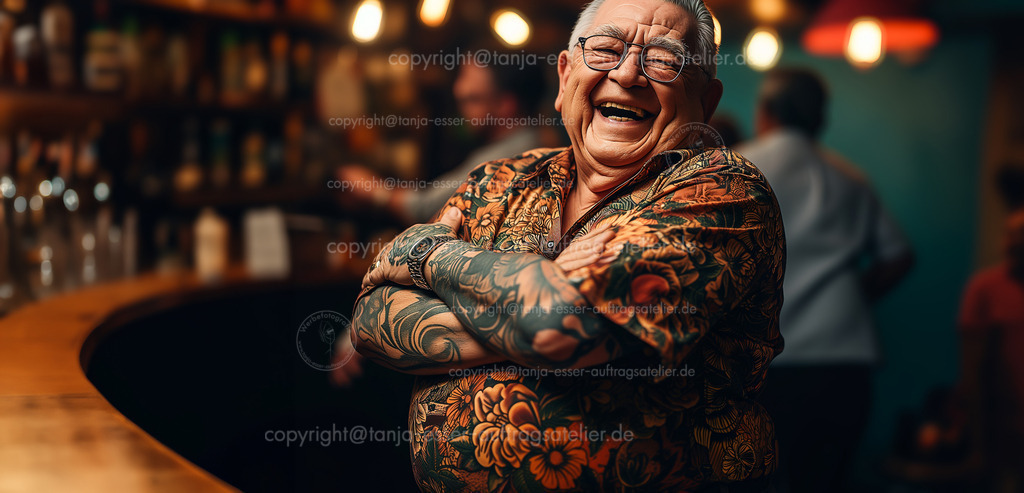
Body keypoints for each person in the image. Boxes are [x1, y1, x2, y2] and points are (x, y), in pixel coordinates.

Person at [350, 0, 786, 490]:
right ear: (564, 78)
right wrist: (528, 315)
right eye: (605, 48)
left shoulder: (723, 191)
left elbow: (559, 326)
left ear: (705, 101)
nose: (628, 73)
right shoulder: (500, 179)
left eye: (663, 59)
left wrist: (428, 254)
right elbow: (369, 321)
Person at [736, 68, 914, 493]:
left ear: (766, 113)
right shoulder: (851, 178)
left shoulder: (733, 170)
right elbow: (899, 256)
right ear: (821, 120)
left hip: (763, 367)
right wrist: (852, 296)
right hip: (844, 364)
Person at [337, 55, 545, 225]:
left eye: (472, 99)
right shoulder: (526, 142)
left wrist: (375, 192)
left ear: (505, 105)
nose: (463, 111)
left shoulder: (507, 158)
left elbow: (425, 209)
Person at [958, 167, 1024, 491]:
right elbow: (973, 373)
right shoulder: (985, 289)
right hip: (1003, 438)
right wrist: (978, 447)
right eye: (1009, 236)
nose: (1010, 245)